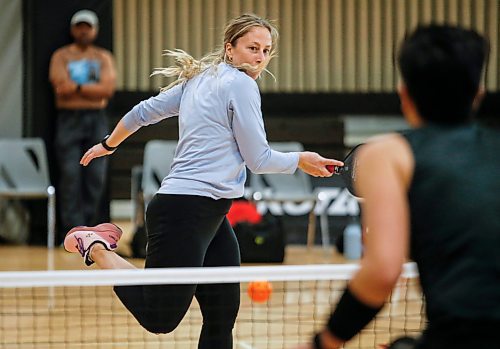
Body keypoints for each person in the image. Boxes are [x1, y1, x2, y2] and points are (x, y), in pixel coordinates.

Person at [63, 14, 343, 349]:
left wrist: (109, 144)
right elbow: (258, 159)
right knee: (160, 318)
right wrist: (300, 160)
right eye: (252, 47)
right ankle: (95, 246)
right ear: (230, 48)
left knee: (222, 314)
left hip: (209, 214)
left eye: (266, 50)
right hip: (186, 211)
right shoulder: (241, 85)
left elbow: (141, 113)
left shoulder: (201, 79)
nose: (260, 57)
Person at [297, 24, 500, 349]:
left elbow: (382, 271)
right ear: (478, 92)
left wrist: (325, 342)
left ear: (404, 94)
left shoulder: (389, 155)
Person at [49, 9, 117, 240]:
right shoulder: (61, 56)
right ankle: (71, 229)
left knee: (96, 174)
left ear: (95, 30)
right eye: (80, 26)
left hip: (96, 119)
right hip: (69, 119)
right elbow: (60, 87)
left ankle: (89, 229)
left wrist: (76, 88)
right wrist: (92, 90)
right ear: (73, 29)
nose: (84, 31)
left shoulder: (103, 57)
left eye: (88, 27)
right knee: (70, 174)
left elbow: (107, 89)